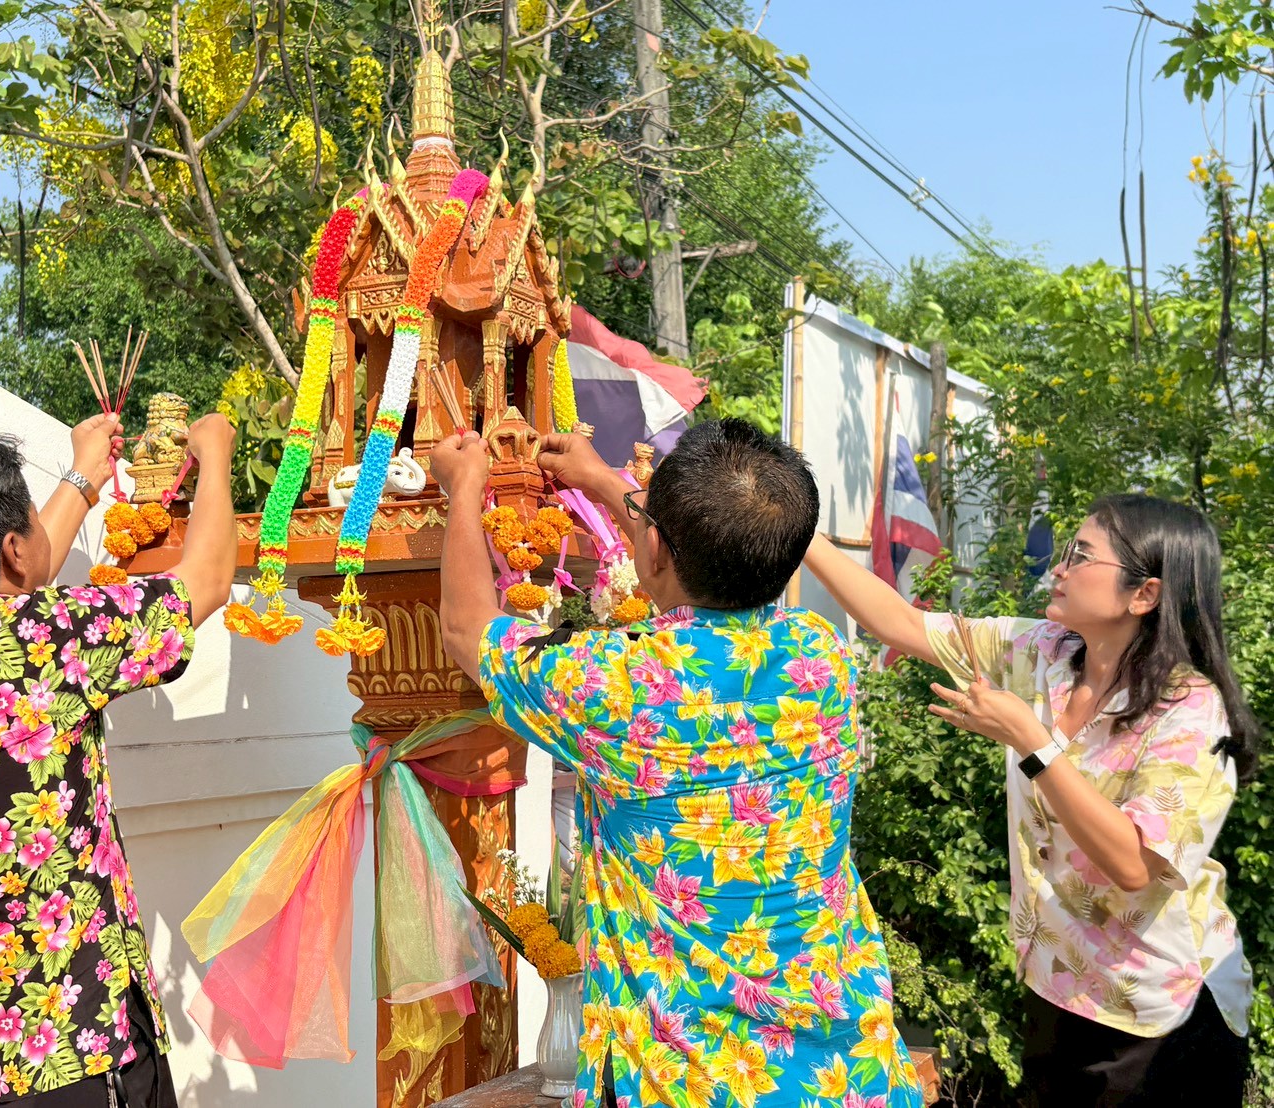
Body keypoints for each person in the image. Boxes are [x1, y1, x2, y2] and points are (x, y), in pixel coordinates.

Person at [430, 419, 924, 1108]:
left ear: (653, 546)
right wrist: (607, 483)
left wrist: (464, 490)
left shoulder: (613, 684)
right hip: (844, 1070)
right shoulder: (822, 659)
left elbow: (466, 630)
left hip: (683, 1078)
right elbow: (702, 556)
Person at [804, 494, 1258, 1106]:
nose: (1059, 568)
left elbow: (1132, 864)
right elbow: (902, 625)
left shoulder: (1192, 711)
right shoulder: (1047, 653)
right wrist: (799, 533)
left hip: (1157, 1012)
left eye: (1081, 555)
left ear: (1144, 594)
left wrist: (1033, 741)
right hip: (1057, 985)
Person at [0, 412, 239, 1106]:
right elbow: (206, 579)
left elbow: (17, 580)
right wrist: (214, 454)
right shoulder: (53, 634)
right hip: (70, 1051)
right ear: (10, 548)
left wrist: (83, 476)